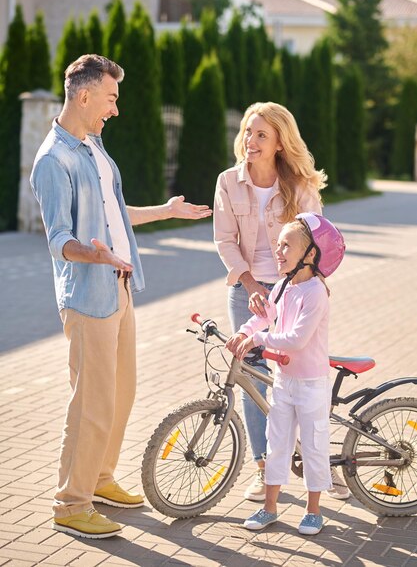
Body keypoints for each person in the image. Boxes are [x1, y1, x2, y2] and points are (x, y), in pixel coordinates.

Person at [30, 54, 212, 540]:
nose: (115, 109)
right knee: (91, 403)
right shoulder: (54, 159)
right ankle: (71, 502)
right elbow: (59, 241)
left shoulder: (93, 147)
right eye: (111, 98)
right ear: (85, 95)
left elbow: (114, 212)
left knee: (120, 395)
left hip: (121, 288)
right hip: (89, 295)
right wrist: (98, 257)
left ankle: (101, 479)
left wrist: (167, 211)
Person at [214, 101, 349, 502]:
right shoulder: (227, 181)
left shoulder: (300, 186)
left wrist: (296, 291)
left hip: (294, 289)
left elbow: (317, 246)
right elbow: (224, 240)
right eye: (247, 132)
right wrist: (253, 285)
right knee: (252, 376)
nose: (250, 141)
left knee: (304, 377)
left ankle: (316, 462)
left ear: (278, 143)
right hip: (246, 288)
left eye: (261, 135)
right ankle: (263, 466)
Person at [226, 212, 345, 535]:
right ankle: (270, 508)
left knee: (313, 445)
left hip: (310, 384)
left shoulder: (315, 293)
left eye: (286, 246)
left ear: (309, 255)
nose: (278, 252)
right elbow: (263, 318)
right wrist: (244, 331)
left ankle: (314, 510)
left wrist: (259, 339)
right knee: (276, 444)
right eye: (278, 245)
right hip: (283, 382)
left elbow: (295, 339)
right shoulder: (280, 287)